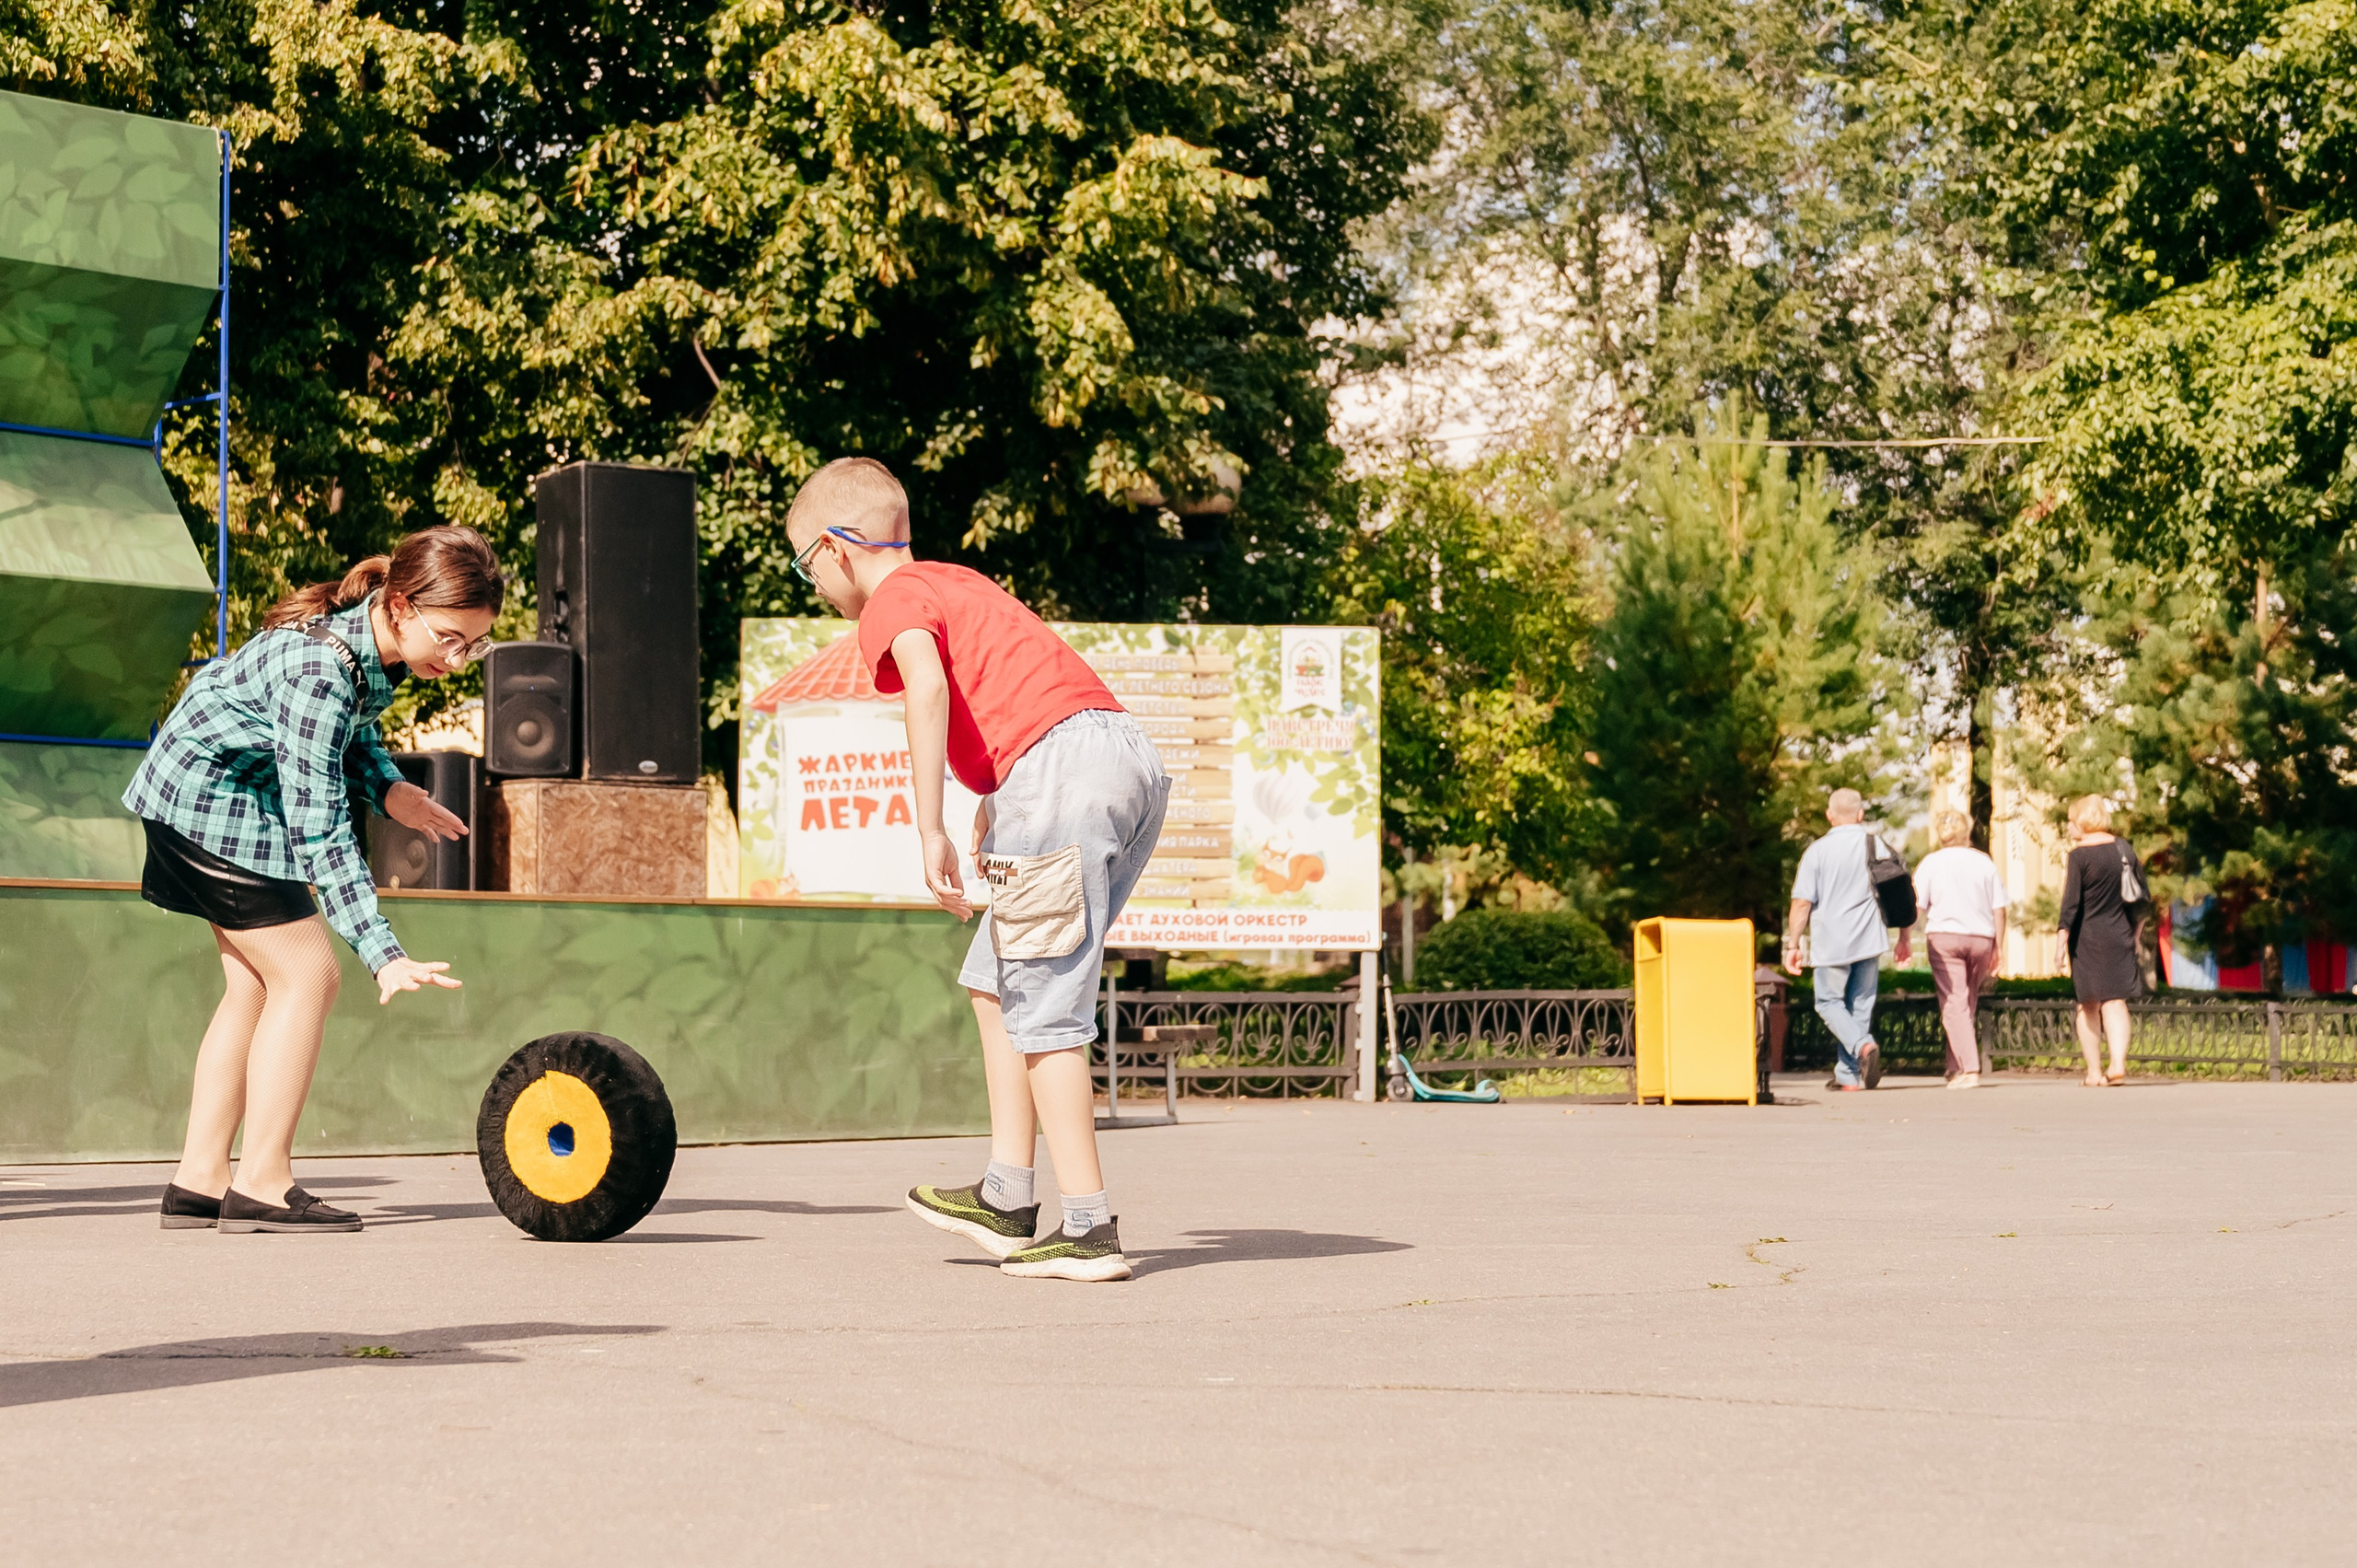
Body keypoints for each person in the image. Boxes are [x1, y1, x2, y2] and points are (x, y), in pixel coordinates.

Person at [785, 458, 1168, 1283]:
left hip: (1063, 773)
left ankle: (1090, 1226)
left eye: (804, 565)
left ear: (835, 548)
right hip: (1113, 760)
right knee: (997, 979)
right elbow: (1013, 698)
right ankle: (1005, 1195)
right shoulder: (954, 580)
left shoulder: (890, 600)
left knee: (1043, 995)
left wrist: (930, 828)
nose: (812, 582)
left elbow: (927, 689)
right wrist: (993, 799)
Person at [124, 528, 501, 1233]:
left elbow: (348, 736)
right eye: (449, 636)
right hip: (210, 805)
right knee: (309, 974)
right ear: (399, 605)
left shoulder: (364, 650)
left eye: (472, 645)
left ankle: (200, 1179)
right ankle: (263, 1181)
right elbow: (321, 827)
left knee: (256, 983)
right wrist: (382, 951)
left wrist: (393, 791)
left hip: (217, 795)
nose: (457, 658)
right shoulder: (319, 669)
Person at [1782, 788, 1911, 1091]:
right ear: (1860, 815)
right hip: (1869, 938)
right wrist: (1904, 936)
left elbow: (1801, 902)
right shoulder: (1877, 844)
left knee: (1828, 1002)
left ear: (1829, 815)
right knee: (1860, 1006)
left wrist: (1793, 944)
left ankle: (1862, 1046)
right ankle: (1848, 1075)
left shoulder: (1817, 851)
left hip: (1832, 942)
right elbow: (1901, 889)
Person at [1912, 809, 2008, 1089]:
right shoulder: (1984, 862)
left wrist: (1905, 938)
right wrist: (1999, 947)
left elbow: (1916, 906)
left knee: (1954, 1001)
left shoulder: (1931, 863)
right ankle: (1954, 1067)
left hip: (1944, 937)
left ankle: (1970, 1069)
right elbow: (1998, 908)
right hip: (1981, 937)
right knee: (1966, 1001)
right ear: (1968, 831)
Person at [2056, 794, 2144, 1086]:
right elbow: (2141, 900)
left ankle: (2094, 1072)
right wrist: (2135, 936)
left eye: (2070, 821)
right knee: (2115, 1002)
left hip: (2086, 938)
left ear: (2082, 822)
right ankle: (2117, 1064)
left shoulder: (2078, 855)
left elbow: (2070, 906)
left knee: (2088, 1004)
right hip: (2119, 934)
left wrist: (2059, 944)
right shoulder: (2123, 849)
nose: (2069, 828)